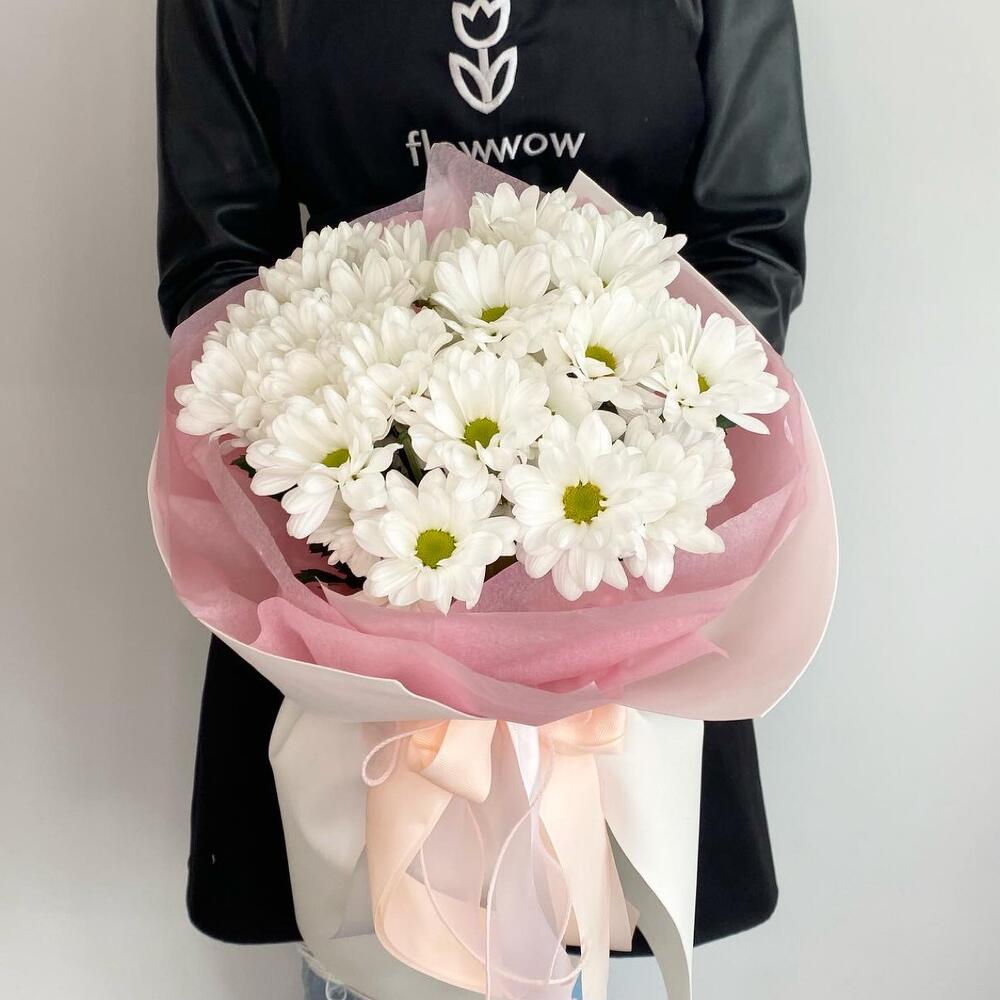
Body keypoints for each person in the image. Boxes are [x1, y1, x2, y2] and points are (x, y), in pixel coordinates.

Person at [156, 1, 810, 995]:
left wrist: (622, 450)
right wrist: (368, 512)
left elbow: (749, 244)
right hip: (352, 547)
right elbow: (217, 267)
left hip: (621, 551)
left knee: (593, 926)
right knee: (372, 946)